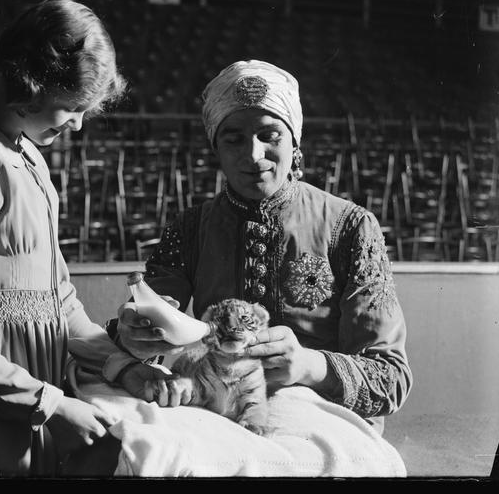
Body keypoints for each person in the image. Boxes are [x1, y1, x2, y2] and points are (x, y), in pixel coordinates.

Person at [0, 0, 170, 477]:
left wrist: (123, 367)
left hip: (29, 405)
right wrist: (51, 405)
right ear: (32, 82)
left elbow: (58, 301)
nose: (78, 124)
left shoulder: (29, 156)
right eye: (71, 108)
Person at [112, 60, 412, 437]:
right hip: (218, 412)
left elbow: (391, 379)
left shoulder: (350, 227)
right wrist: (135, 337)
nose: (253, 156)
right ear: (215, 148)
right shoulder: (190, 229)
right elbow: (145, 330)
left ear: (295, 142)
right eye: (233, 139)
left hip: (324, 421)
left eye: (270, 135)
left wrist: (308, 365)